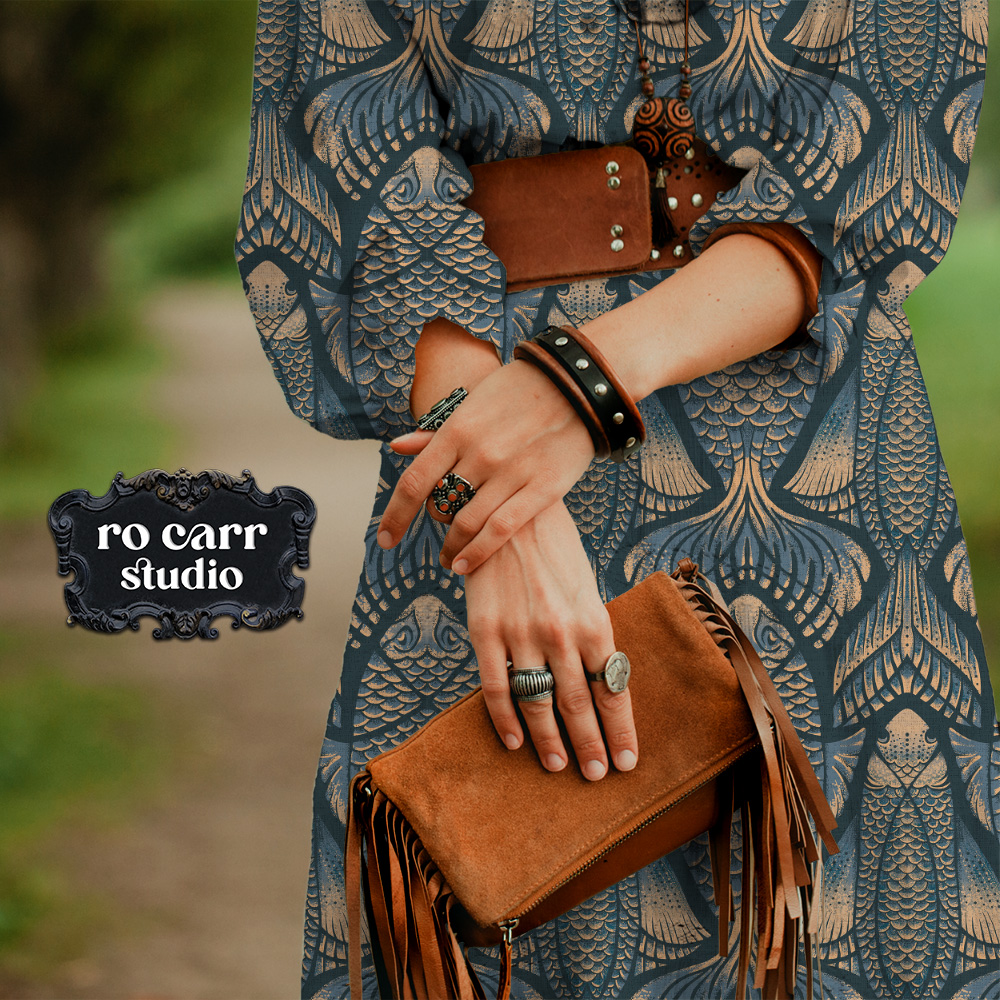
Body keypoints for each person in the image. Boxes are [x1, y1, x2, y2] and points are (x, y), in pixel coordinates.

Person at [237, 2, 998, 997]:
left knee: (824, 929)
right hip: (471, 415)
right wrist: (499, 509)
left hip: (811, 461)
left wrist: (568, 393)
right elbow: (352, 150)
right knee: (509, 884)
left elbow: (880, 153)